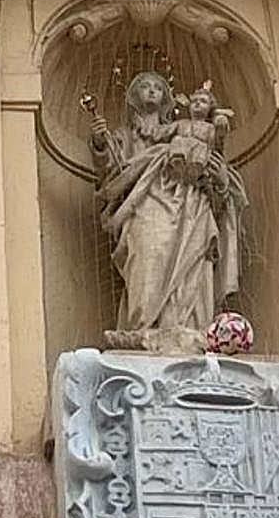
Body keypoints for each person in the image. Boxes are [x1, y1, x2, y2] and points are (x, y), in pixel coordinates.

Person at [90, 72, 246, 334]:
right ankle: (142, 329)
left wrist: (219, 179)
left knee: (192, 263)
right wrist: (99, 143)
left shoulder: (182, 132)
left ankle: (188, 328)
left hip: (188, 206)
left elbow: (212, 173)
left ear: (166, 98)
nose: (151, 91)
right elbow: (111, 174)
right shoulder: (124, 136)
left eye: (157, 88)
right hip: (141, 206)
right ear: (133, 97)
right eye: (144, 86)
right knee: (146, 259)